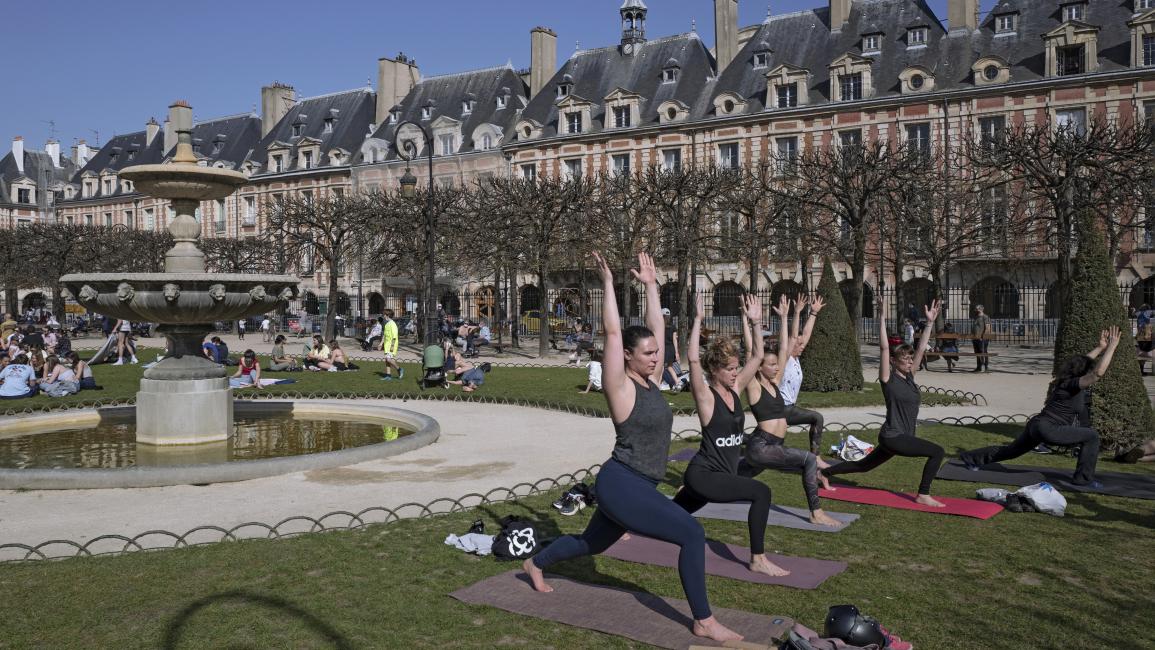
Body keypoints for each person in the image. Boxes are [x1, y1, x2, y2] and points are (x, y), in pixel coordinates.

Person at [523, 251, 743, 644]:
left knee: (592, 544)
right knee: (691, 534)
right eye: (648, 353)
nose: (656, 357)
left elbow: (656, 325)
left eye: (657, 353)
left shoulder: (651, 380)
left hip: (638, 485)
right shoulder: (619, 387)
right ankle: (704, 620)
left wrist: (652, 286)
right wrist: (608, 284)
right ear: (627, 355)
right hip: (622, 483)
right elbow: (611, 333)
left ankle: (536, 562)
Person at [672, 292, 791, 577]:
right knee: (761, 492)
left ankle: (626, 523)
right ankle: (758, 559)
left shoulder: (735, 390)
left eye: (736, 367)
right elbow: (692, 359)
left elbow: (759, 356)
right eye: (729, 369)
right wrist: (698, 320)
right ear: (715, 369)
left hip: (721, 473)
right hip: (705, 475)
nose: (736, 373)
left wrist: (756, 322)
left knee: (668, 517)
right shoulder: (706, 397)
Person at [961, 327, 1120, 488]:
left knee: (1011, 451)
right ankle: (1083, 479)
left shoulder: (1067, 378)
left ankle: (971, 458)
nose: (1089, 370)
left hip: (1037, 424)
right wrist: (1112, 347)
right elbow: (1097, 373)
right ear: (1082, 372)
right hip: (1049, 428)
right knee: (1091, 436)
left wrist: (1101, 348)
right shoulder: (1073, 383)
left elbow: (1083, 363)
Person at [824, 300, 946, 507]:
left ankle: (823, 473)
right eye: (905, 359)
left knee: (863, 467)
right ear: (894, 361)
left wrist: (929, 323)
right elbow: (883, 349)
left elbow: (921, 348)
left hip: (901, 436)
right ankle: (923, 494)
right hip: (893, 436)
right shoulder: (888, 380)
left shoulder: (910, 377)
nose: (909, 362)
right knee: (938, 451)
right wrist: (881, 317)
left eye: (910, 359)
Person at [738, 294, 841, 527]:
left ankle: (696, 486)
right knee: (808, 460)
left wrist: (784, 317)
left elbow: (785, 347)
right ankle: (816, 512)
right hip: (762, 445)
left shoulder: (775, 384)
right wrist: (747, 320)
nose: (776, 368)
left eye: (776, 365)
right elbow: (751, 352)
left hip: (771, 447)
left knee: (739, 474)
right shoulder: (753, 386)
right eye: (771, 365)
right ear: (759, 367)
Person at [779, 295, 827, 455]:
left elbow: (804, 336)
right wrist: (797, 312)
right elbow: (794, 337)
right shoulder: (784, 359)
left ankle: (814, 456)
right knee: (817, 418)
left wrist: (813, 313)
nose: (802, 346)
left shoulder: (796, 358)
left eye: (802, 345)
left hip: (789, 408)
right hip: (782, 409)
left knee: (764, 440)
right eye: (798, 345)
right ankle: (815, 457)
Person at [381, 311, 403, 379]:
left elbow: (394, 336)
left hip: (392, 345)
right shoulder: (387, 324)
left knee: (388, 359)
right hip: (387, 345)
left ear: (387, 315)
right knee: (387, 360)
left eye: (384, 314)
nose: (383, 316)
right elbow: (384, 335)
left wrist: (392, 346)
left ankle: (399, 369)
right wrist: (381, 343)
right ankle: (388, 375)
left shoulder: (393, 324)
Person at [970, 304, 992, 373]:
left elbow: (987, 328)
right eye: (975, 309)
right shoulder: (976, 317)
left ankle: (986, 367)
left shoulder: (985, 317)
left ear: (981, 309)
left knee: (984, 352)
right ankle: (979, 367)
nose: (975, 310)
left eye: (977, 309)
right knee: (977, 352)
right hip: (975, 338)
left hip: (982, 338)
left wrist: (983, 337)